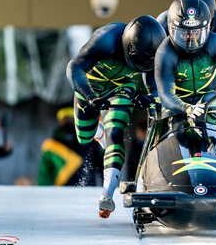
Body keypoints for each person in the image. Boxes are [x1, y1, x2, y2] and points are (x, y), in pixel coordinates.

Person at [66, 15, 166, 219]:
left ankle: (107, 194)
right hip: (91, 85)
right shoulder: (106, 39)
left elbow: (155, 85)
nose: (143, 66)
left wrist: (149, 98)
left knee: (116, 133)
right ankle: (98, 132)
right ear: (130, 49)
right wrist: (91, 97)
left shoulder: (151, 56)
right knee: (84, 138)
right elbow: (74, 67)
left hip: (122, 87)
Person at [155, 0, 216, 125]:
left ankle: (213, 138)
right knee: (170, 120)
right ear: (171, 29)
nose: (191, 38)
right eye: (183, 33)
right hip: (177, 105)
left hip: (208, 98)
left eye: (196, 33)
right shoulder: (165, 52)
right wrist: (187, 108)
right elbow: (165, 94)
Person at [38, 106, 103, 186]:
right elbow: (44, 171)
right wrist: (44, 190)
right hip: (62, 190)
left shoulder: (89, 140)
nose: (68, 121)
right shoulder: (51, 145)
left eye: (71, 118)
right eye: (65, 118)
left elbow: (100, 164)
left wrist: (106, 185)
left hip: (87, 188)